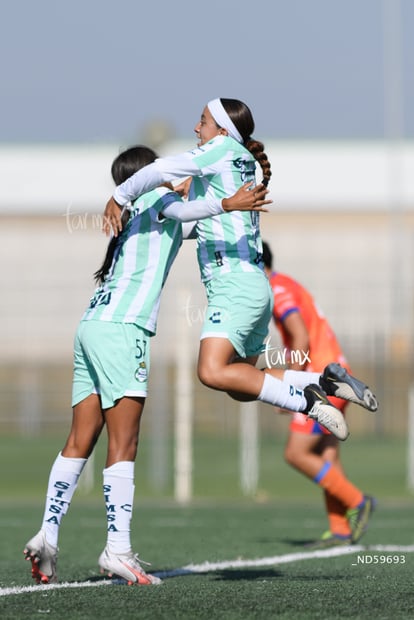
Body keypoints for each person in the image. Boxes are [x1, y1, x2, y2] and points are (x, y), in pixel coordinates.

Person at [23, 145, 271, 586]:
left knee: (80, 439)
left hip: (92, 324)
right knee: (125, 441)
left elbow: (201, 224)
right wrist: (232, 199)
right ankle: (117, 550)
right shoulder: (159, 201)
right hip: (123, 330)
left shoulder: (138, 211)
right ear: (148, 176)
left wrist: (239, 198)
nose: (174, 172)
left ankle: (48, 534)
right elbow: (201, 210)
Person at [103, 97, 378, 446]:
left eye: (201, 121)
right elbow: (193, 220)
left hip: (233, 285)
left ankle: (308, 403)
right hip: (253, 285)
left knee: (210, 371)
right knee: (242, 382)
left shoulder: (219, 149)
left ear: (221, 130)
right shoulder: (239, 160)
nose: (195, 128)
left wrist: (119, 196)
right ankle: (325, 383)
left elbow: (160, 170)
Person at [262, 241, 376, 547]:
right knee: (327, 454)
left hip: (323, 380)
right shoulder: (285, 283)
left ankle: (358, 501)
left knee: (296, 452)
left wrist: (290, 386)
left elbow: (298, 334)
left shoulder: (276, 288)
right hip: (335, 372)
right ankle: (340, 530)